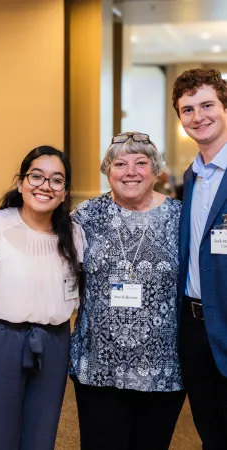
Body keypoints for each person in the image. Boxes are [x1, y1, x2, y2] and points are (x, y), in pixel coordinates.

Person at [70, 132, 185, 450]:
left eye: (141, 163)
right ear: (107, 170)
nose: (130, 171)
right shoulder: (86, 216)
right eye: (120, 163)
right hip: (99, 367)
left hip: (162, 367)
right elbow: (52, 263)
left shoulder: (180, 217)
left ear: (156, 170)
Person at [0, 146, 84, 450]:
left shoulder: (75, 234)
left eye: (56, 180)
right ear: (21, 183)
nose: (45, 186)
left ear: (64, 192)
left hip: (54, 342)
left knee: (41, 437)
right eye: (36, 176)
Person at [173, 68, 227, 449]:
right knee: (211, 430)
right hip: (194, 329)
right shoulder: (191, 177)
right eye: (188, 109)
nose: (198, 116)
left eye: (207, 105)